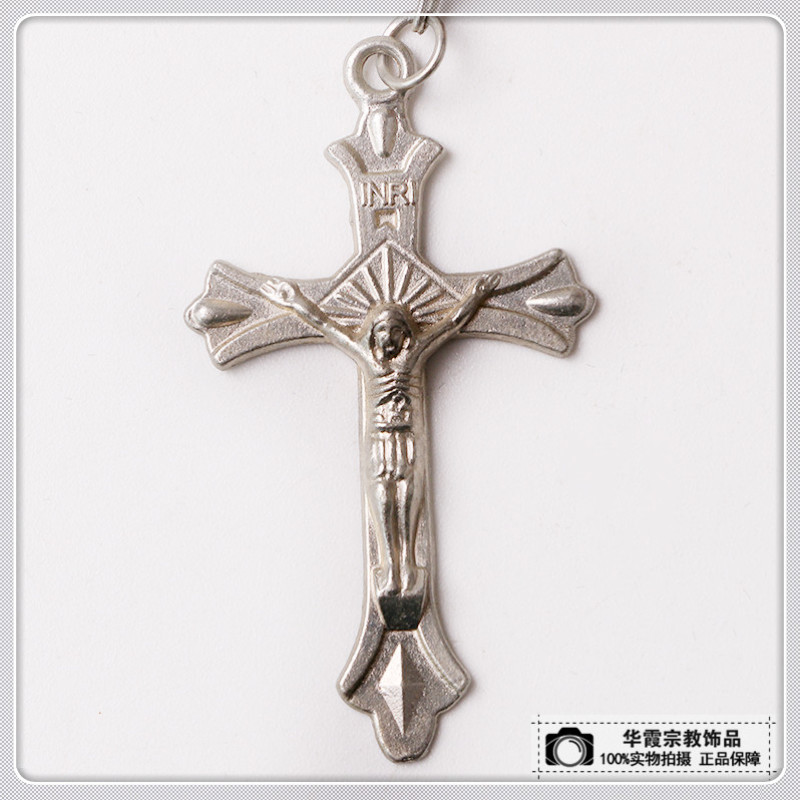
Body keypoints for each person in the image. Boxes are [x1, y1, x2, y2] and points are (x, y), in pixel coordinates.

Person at [261, 272, 500, 599]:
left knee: (406, 499)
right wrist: (295, 301)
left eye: (395, 330)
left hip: (407, 441)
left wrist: (475, 297)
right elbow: (324, 324)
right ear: (373, 334)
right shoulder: (364, 355)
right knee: (383, 499)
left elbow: (451, 324)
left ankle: (408, 564)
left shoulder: (413, 357)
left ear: (405, 335)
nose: (389, 337)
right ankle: (390, 567)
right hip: (379, 443)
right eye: (383, 330)